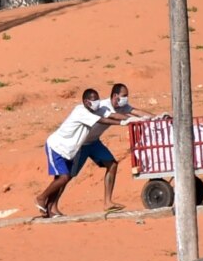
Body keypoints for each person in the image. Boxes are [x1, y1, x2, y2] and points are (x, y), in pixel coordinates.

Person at [36, 88, 134, 218]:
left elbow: (111, 115)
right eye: (93, 100)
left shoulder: (95, 110)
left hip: (69, 151)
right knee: (64, 177)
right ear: (86, 102)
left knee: (61, 179)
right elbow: (102, 120)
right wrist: (123, 122)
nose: (97, 102)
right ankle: (41, 198)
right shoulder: (81, 111)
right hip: (56, 147)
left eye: (97, 99)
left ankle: (51, 209)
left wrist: (132, 119)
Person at [74, 83, 155, 212]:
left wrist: (156, 118)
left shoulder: (123, 106)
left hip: (94, 142)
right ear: (115, 96)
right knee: (67, 176)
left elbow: (137, 111)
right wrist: (130, 120)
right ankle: (49, 204)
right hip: (81, 144)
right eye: (124, 96)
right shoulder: (104, 106)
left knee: (112, 164)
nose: (126, 98)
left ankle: (108, 202)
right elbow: (114, 117)